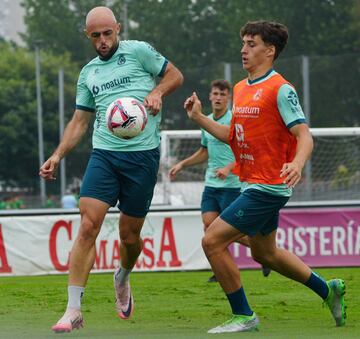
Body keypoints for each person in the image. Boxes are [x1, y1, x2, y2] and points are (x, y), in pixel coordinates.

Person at [184, 20, 346, 333]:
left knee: (212, 241)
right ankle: (329, 290)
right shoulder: (242, 89)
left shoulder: (280, 89)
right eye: (243, 43)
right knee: (264, 252)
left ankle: (244, 315)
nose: (243, 50)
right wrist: (199, 118)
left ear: (269, 51)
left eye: (251, 44)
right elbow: (233, 136)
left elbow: (304, 134)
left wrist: (297, 162)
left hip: (269, 185)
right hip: (252, 182)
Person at [39, 6, 183, 333]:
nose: (103, 41)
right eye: (96, 36)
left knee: (130, 238)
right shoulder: (88, 73)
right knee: (88, 223)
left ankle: (123, 275)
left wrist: (158, 91)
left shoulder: (139, 51)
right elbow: (79, 121)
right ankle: (73, 309)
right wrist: (58, 155)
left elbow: (175, 75)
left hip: (143, 157)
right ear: (88, 37)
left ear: (118, 28)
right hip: (104, 154)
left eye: (108, 33)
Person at [169, 79, 270, 282]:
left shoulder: (235, 120)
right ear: (209, 96)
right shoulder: (205, 121)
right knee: (209, 225)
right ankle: (222, 267)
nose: (218, 97)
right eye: (215, 93)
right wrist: (183, 164)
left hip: (232, 185)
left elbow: (247, 149)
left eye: (222, 94)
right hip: (211, 184)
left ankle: (264, 252)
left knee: (227, 230)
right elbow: (204, 152)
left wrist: (229, 167)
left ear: (229, 98)